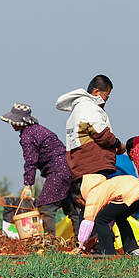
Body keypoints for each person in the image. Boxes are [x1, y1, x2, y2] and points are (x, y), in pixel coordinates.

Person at [56, 75, 125, 236]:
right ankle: (94, 243)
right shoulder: (88, 107)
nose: (107, 99)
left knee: (89, 205)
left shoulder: (77, 110)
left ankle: (85, 242)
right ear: (96, 92)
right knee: (97, 205)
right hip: (94, 164)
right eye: (106, 95)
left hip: (82, 164)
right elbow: (102, 134)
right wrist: (118, 145)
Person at [0, 103, 71, 235]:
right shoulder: (38, 129)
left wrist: (28, 185)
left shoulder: (27, 135)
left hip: (57, 170)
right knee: (71, 206)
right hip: (68, 166)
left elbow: (30, 161)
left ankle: (50, 243)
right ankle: (80, 241)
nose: (12, 124)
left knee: (46, 207)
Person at [75, 173, 139, 256]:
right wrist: (97, 236)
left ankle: (107, 253)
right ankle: (133, 250)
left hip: (128, 193)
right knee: (120, 218)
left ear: (80, 196)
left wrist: (80, 243)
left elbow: (88, 220)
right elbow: (109, 219)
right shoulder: (104, 187)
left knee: (100, 219)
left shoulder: (93, 194)